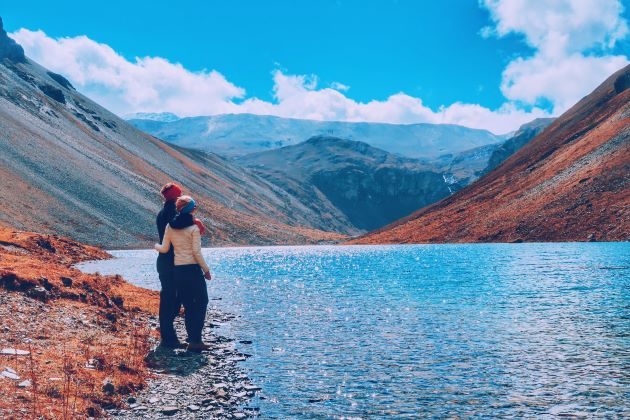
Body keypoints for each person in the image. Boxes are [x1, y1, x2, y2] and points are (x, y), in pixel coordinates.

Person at [155, 195, 212, 352]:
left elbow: (164, 248)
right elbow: (196, 252)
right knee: (201, 302)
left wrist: (155, 246)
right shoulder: (193, 228)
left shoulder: (170, 226)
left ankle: (192, 341)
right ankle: (195, 340)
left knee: (187, 304)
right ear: (191, 209)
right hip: (193, 270)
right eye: (194, 207)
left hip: (178, 271)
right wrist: (206, 270)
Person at [155, 182, 184, 348]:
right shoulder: (173, 213)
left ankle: (167, 332)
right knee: (174, 296)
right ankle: (168, 336)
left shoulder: (162, 213)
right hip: (173, 260)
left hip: (164, 259)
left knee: (169, 295)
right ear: (175, 196)